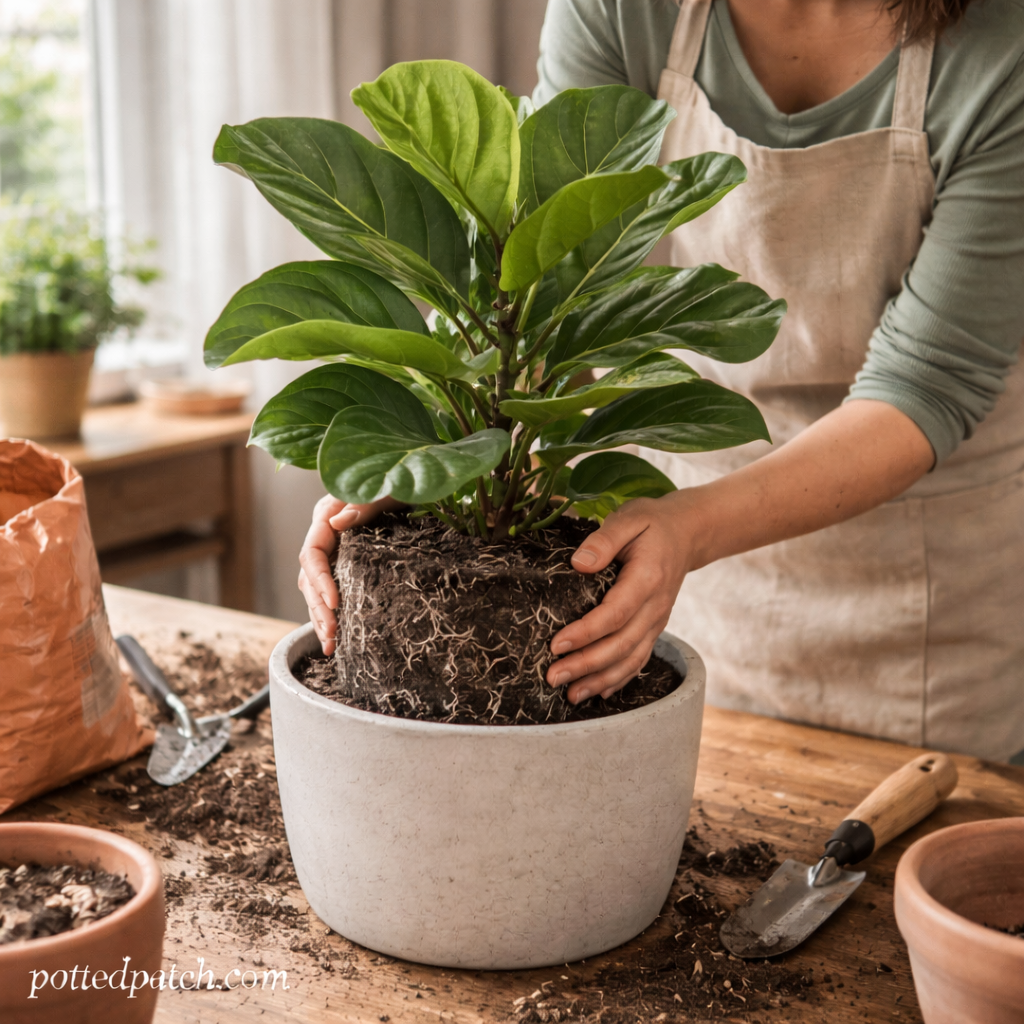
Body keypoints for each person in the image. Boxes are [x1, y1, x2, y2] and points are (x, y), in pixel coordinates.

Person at [299, 0, 1024, 761]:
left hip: (923, 594)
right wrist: (426, 458)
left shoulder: (1000, 48)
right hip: (675, 553)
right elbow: (547, 272)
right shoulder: (622, 9)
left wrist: (688, 528)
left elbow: (930, 383)